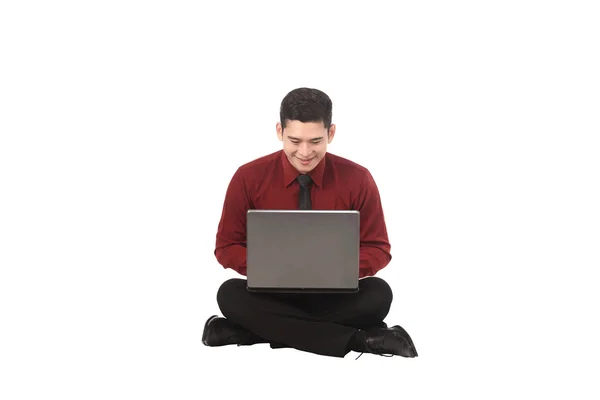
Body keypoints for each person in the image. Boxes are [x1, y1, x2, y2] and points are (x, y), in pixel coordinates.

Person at [202, 87, 418, 358]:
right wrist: (272, 267)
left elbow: (378, 248)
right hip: (271, 294)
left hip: (334, 296)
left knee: (379, 294)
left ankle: (252, 331)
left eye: (315, 141)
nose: (304, 152)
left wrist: (335, 268)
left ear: (331, 133)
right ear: (279, 131)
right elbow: (226, 246)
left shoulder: (358, 178)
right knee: (229, 294)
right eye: (294, 140)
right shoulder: (248, 177)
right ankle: (361, 339)